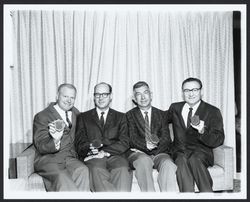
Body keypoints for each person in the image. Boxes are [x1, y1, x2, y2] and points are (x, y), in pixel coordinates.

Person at [167, 77, 225, 192]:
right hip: (180, 151)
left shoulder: (213, 111)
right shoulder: (175, 108)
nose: (191, 94)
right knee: (181, 161)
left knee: (195, 159)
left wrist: (202, 130)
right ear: (183, 93)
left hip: (201, 152)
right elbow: (160, 122)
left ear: (201, 91)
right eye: (187, 90)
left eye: (194, 90)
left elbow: (219, 139)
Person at [74, 82, 132, 192]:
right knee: (96, 169)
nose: (101, 98)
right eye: (97, 94)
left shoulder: (121, 117)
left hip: (115, 155)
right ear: (94, 97)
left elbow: (124, 142)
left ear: (111, 96)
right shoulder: (83, 117)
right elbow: (80, 144)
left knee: (122, 169)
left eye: (104, 94)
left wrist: (104, 152)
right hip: (93, 157)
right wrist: (91, 147)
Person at [33, 83, 90, 191]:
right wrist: (56, 139)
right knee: (62, 178)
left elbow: (82, 135)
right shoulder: (42, 116)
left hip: (70, 158)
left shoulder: (76, 113)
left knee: (83, 170)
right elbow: (40, 145)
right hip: (49, 159)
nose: (69, 100)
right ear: (57, 96)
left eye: (72, 97)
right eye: (65, 96)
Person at [126, 81, 178, 192]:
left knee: (169, 165)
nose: (143, 97)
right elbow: (131, 138)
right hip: (138, 154)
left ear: (151, 95)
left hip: (160, 153)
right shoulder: (129, 115)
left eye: (146, 92)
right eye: (138, 94)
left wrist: (154, 148)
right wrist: (146, 146)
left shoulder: (161, 114)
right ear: (134, 98)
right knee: (144, 160)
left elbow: (166, 138)